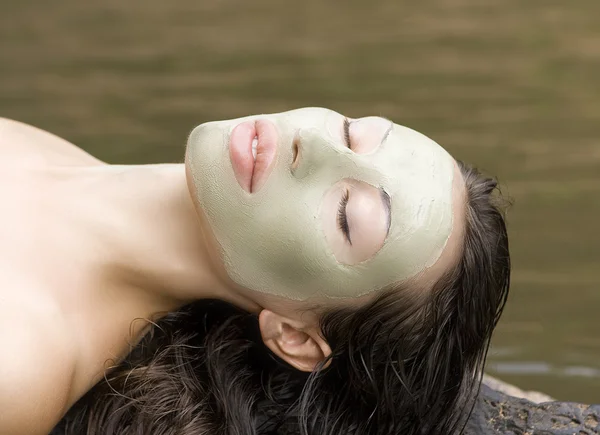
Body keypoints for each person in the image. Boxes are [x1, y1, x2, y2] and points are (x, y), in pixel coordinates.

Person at [0, 108, 510, 435]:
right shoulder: (42, 151)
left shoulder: (19, 360)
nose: (310, 145)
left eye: (346, 217)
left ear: (295, 337)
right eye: (354, 134)